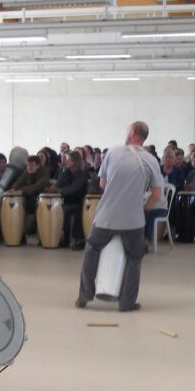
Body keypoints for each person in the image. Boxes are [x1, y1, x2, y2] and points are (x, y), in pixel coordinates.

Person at [76, 121, 163, 312]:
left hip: (107, 215)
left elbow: (103, 184)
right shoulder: (151, 160)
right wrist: (143, 207)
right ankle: (127, 303)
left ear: (131, 133)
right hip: (133, 219)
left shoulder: (112, 153)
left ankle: (85, 295)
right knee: (134, 257)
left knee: (92, 250)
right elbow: (157, 194)